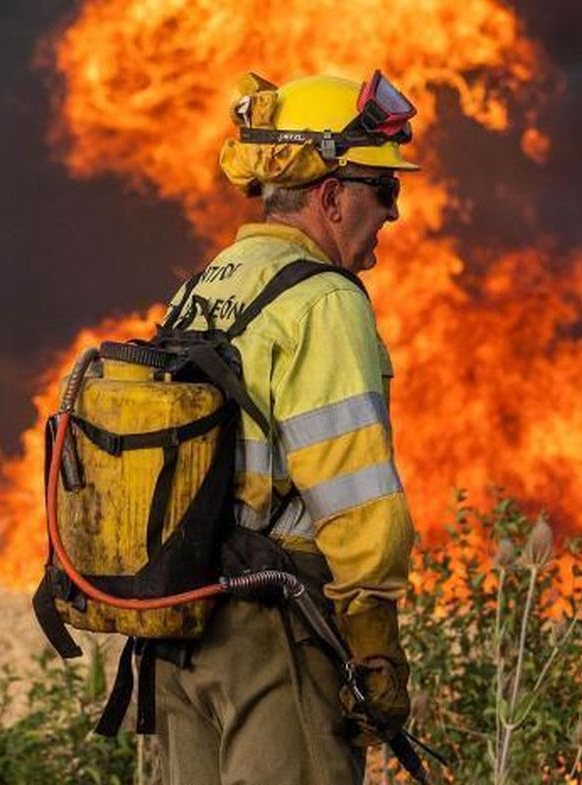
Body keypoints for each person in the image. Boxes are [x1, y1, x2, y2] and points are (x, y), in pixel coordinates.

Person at [152, 71, 420, 785]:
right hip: (271, 628)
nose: (392, 212)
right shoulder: (322, 300)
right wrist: (374, 644)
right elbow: (354, 497)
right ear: (332, 196)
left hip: (180, 632)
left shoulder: (206, 285)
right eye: (383, 189)